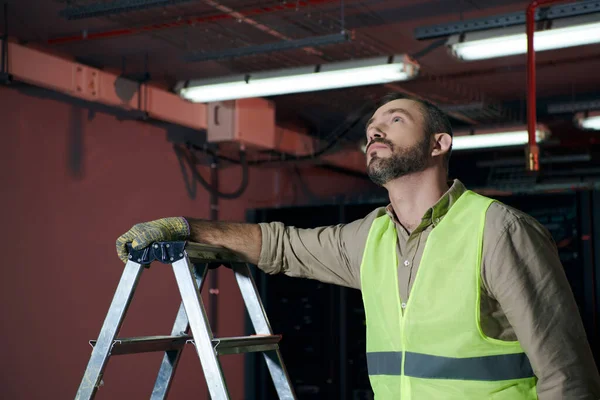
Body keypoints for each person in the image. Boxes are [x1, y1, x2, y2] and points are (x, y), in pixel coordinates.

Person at [116, 93, 600, 399]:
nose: (374, 129)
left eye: (394, 119)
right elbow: (282, 246)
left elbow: (567, 376)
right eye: (371, 125)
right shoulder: (369, 237)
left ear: (439, 144)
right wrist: (185, 227)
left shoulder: (498, 230)